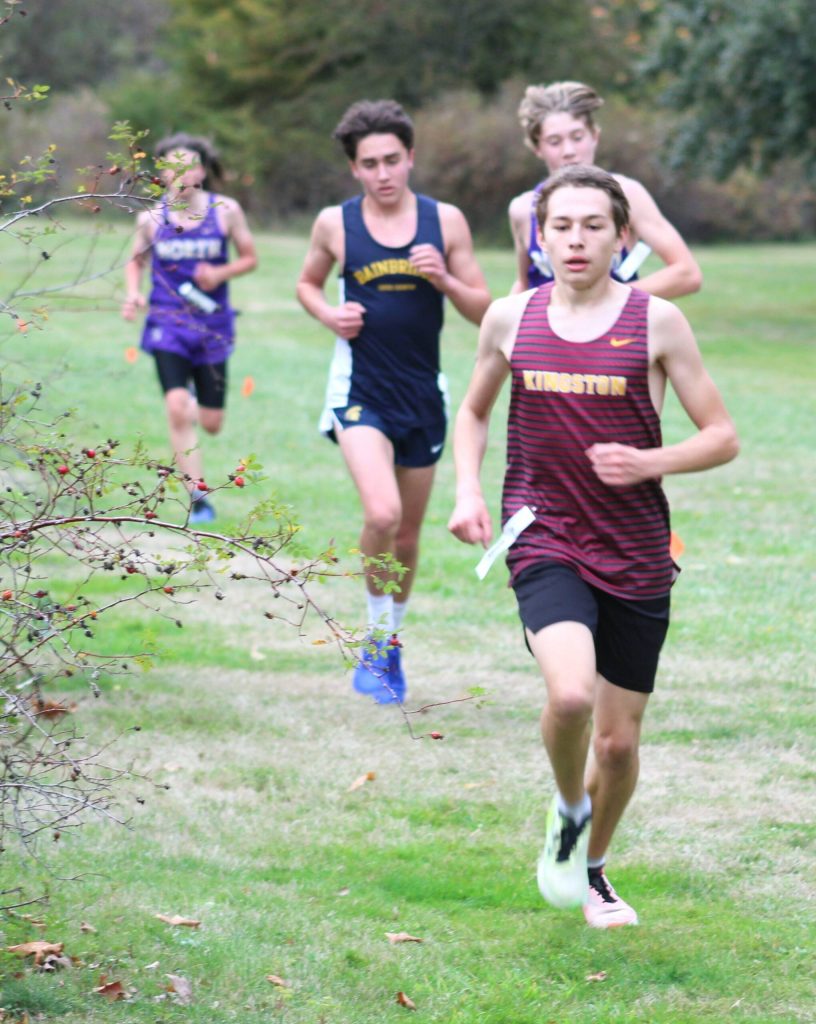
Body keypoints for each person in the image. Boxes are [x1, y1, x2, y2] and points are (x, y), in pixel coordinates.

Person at [449, 165, 738, 927]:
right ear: (539, 237)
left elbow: (722, 436)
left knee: (616, 744)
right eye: (561, 226)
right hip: (544, 535)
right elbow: (474, 413)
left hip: (637, 550)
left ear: (622, 236)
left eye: (592, 226)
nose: (575, 240)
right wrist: (469, 492)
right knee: (571, 694)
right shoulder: (510, 318)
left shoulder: (658, 321)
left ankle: (596, 864)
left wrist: (649, 461)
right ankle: (568, 808)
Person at [296, 99, 491, 704]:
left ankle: (387, 641)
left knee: (406, 534)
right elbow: (306, 282)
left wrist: (446, 281)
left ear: (411, 158)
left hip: (422, 395)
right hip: (359, 394)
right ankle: (373, 636)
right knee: (380, 515)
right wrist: (329, 312)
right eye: (369, 163)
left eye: (392, 160)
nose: (382, 173)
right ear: (354, 169)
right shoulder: (336, 223)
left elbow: (486, 309)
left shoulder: (446, 222)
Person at [122, 132, 258, 524]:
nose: (182, 174)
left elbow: (249, 258)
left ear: (202, 170)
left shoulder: (226, 210)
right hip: (168, 324)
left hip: (213, 327)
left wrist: (221, 271)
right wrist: (133, 293)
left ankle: (201, 408)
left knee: (212, 424)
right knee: (176, 407)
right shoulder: (150, 219)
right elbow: (135, 262)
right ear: (161, 172)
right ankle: (199, 498)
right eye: (173, 166)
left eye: (190, 166)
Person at [508, 80, 702, 299]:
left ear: (595, 136)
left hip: (617, 331)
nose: (569, 151)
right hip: (547, 332)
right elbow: (523, 285)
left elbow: (687, 274)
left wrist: (602, 301)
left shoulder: (627, 195)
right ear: (537, 148)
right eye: (554, 141)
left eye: (577, 137)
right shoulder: (523, 210)